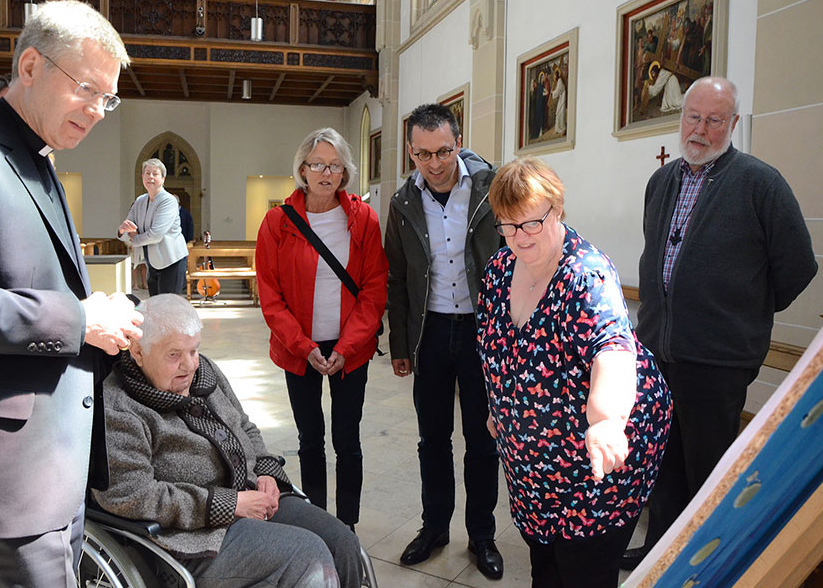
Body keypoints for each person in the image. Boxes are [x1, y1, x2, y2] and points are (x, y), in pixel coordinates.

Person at [0, 0, 142, 586]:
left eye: (108, 98)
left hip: (51, 475)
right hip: (3, 486)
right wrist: (80, 322)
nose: (99, 110)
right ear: (30, 66)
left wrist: (108, 318)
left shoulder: (39, 161)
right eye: (87, 88)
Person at [622, 76, 818, 569]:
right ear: (680, 118)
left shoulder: (760, 182)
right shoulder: (661, 181)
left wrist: (741, 314)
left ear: (732, 124)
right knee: (662, 467)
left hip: (717, 361)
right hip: (659, 354)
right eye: (693, 117)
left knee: (708, 472)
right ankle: (658, 555)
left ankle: (702, 566)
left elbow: (797, 267)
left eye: (714, 120)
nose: (701, 130)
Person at [476, 156, 671, 588]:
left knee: (583, 568)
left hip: (595, 460)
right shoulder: (498, 270)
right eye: (506, 226)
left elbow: (613, 351)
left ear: (557, 209)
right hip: (533, 461)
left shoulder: (586, 275)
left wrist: (605, 421)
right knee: (545, 563)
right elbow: (495, 347)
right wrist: (498, 406)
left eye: (530, 223)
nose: (518, 238)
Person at [93, 294, 363, 588]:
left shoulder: (203, 372)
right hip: (194, 536)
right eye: (174, 355)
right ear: (138, 351)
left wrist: (265, 472)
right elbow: (129, 495)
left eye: (194, 350)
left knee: (343, 544)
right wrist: (229, 504)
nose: (189, 365)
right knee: (308, 558)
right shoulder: (121, 408)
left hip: (253, 499)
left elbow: (243, 425)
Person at [384, 103, 503, 579]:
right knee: (432, 438)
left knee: (482, 439)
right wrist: (398, 343)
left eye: (444, 151)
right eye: (423, 154)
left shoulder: (492, 189)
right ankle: (435, 527)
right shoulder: (401, 203)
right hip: (430, 331)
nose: (435, 164)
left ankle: (482, 535)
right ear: (411, 152)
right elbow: (397, 277)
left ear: (459, 142)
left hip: (482, 330)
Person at [256, 127, 387, 530]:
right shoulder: (278, 221)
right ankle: (316, 524)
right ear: (303, 169)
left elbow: (373, 289)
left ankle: (346, 526)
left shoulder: (363, 219)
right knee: (310, 441)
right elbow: (270, 294)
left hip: (351, 349)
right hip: (299, 350)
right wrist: (301, 345)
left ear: (345, 171)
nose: (325, 173)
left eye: (334, 165)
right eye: (317, 164)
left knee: (347, 442)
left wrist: (347, 346)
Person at [118, 157, 189, 296]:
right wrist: (122, 230)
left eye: (155, 173)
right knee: (155, 305)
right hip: (152, 261)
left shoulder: (169, 201)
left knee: (168, 307)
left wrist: (134, 238)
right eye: (147, 173)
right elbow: (128, 227)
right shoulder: (140, 201)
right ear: (142, 177)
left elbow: (156, 234)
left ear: (163, 178)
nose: (150, 176)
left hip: (171, 260)